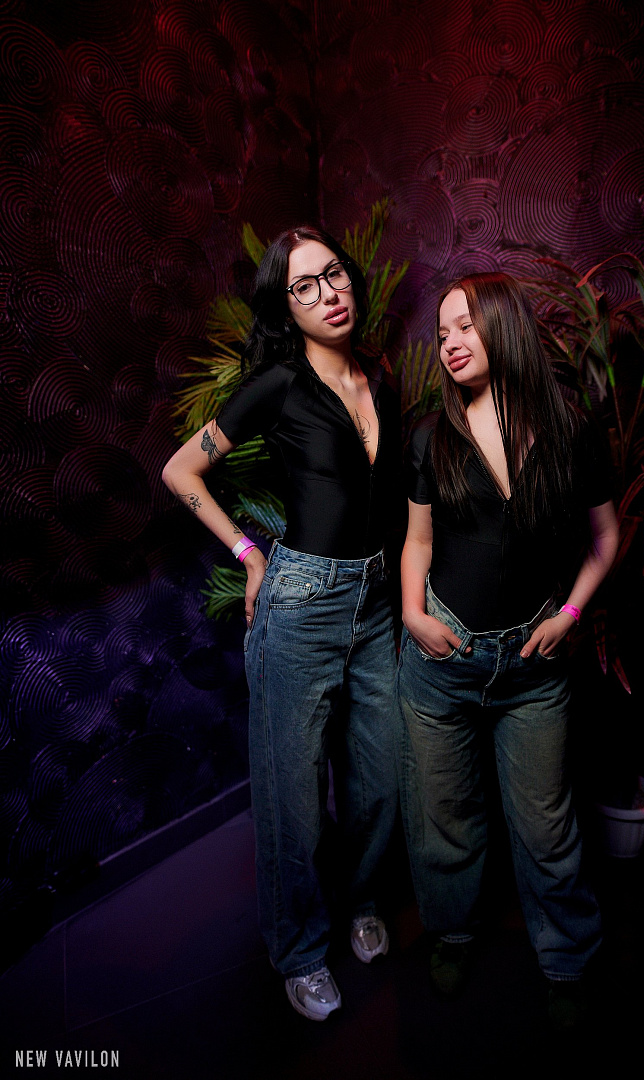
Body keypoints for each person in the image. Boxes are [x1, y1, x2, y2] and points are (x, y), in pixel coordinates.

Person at [162, 225, 403, 1021]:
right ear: (286, 306)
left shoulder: (381, 379)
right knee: (293, 800)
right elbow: (180, 470)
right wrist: (247, 553)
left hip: (375, 603)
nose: (328, 293)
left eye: (333, 274)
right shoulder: (277, 385)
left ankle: (362, 900)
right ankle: (299, 949)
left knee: (377, 781)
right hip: (302, 604)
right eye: (305, 285)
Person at [397, 272, 619, 1028]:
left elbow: (605, 537)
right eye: (442, 333)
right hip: (442, 659)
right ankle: (452, 933)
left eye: (465, 325)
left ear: (505, 325)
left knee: (547, 826)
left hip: (533, 667)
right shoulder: (430, 435)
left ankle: (567, 961)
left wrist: (572, 611)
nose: (449, 343)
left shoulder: (569, 431)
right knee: (444, 817)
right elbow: (417, 542)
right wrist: (411, 615)